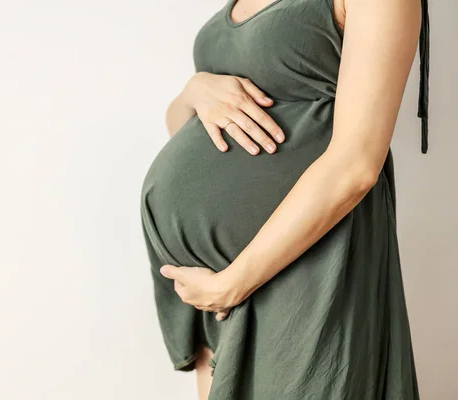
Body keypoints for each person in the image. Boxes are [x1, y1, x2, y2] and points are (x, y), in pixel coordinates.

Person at [139, 0, 429, 398]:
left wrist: (233, 284)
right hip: (216, 292)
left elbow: (356, 165)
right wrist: (195, 92)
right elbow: (185, 128)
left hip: (308, 267)